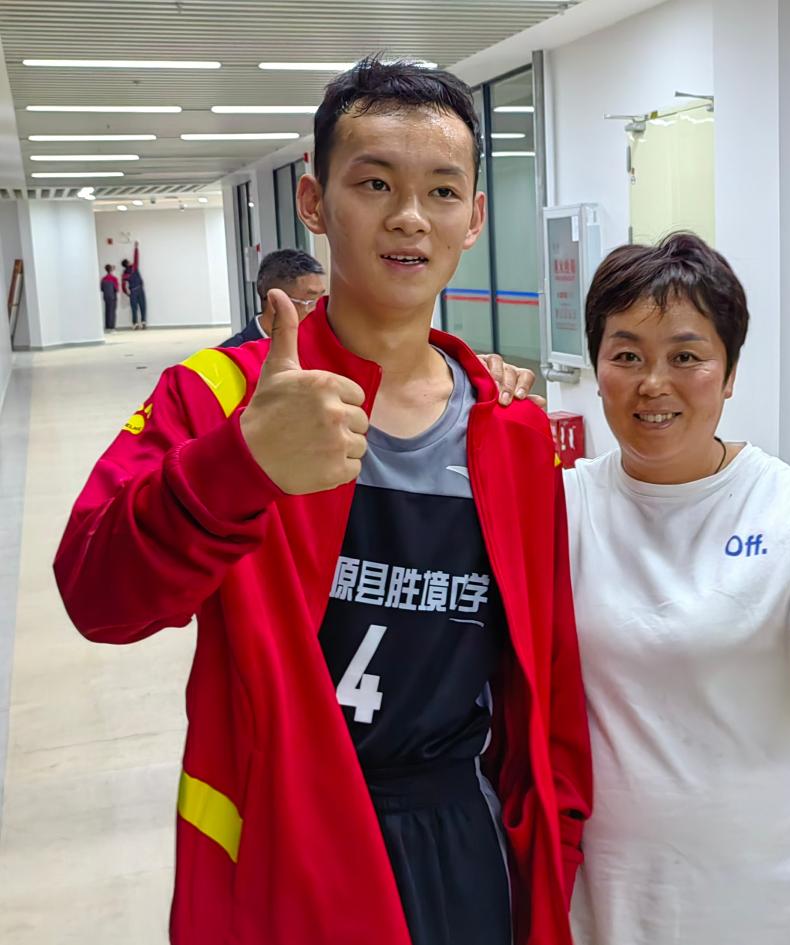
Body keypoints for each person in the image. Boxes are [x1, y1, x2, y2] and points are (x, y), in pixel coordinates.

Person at [54, 58, 591, 945]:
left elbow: (549, 674)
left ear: (473, 218)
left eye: (441, 191)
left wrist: (554, 846)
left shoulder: (511, 432)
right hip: (285, 842)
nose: (409, 216)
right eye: (373, 183)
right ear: (313, 200)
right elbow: (96, 596)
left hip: (464, 840)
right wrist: (238, 466)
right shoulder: (221, 399)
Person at [493, 231, 790, 945]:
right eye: (627, 355)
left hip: (777, 907)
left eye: (685, 356)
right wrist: (464, 400)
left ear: (729, 374)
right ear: (597, 368)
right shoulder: (558, 506)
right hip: (608, 906)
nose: (653, 383)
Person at [221, 248, 326, 348]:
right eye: (310, 301)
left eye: (320, 299)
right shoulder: (230, 356)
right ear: (275, 303)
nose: (319, 310)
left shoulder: (319, 344)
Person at [121, 258, 147, 329]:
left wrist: (127, 293)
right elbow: (136, 257)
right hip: (139, 289)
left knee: (134, 308)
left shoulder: (124, 274)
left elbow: (123, 286)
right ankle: (143, 322)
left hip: (133, 291)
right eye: (129, 261)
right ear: (127, 263)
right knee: (142, 306)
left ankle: (135, 324)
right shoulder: (134, 267)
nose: (130, 262)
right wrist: (136, 250)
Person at [100, 264, 119, 331]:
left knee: (107, 311)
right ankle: (112, 327)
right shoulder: (114, 278)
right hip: (112, 297)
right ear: (111, 270)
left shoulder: (103, 279)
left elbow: (102, 289)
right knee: (112, 312)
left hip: (106, 297)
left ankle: (107, 327)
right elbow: (116, 289)